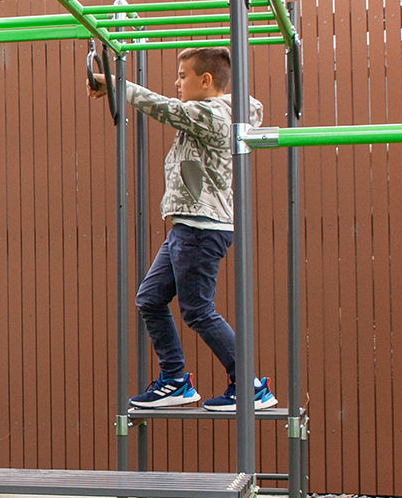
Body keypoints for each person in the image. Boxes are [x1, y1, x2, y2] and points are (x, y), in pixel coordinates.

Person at [90, 47, 275, 412]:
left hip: (201, 229)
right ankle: (175, 380)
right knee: (150, 299)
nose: (176, 83)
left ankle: (250, 384)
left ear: (206, 81)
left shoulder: (214, 114)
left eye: (183, 75)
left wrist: (118, 85)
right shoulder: (215, 111)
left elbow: (167, 109)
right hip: (187, 227)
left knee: (198, 310)